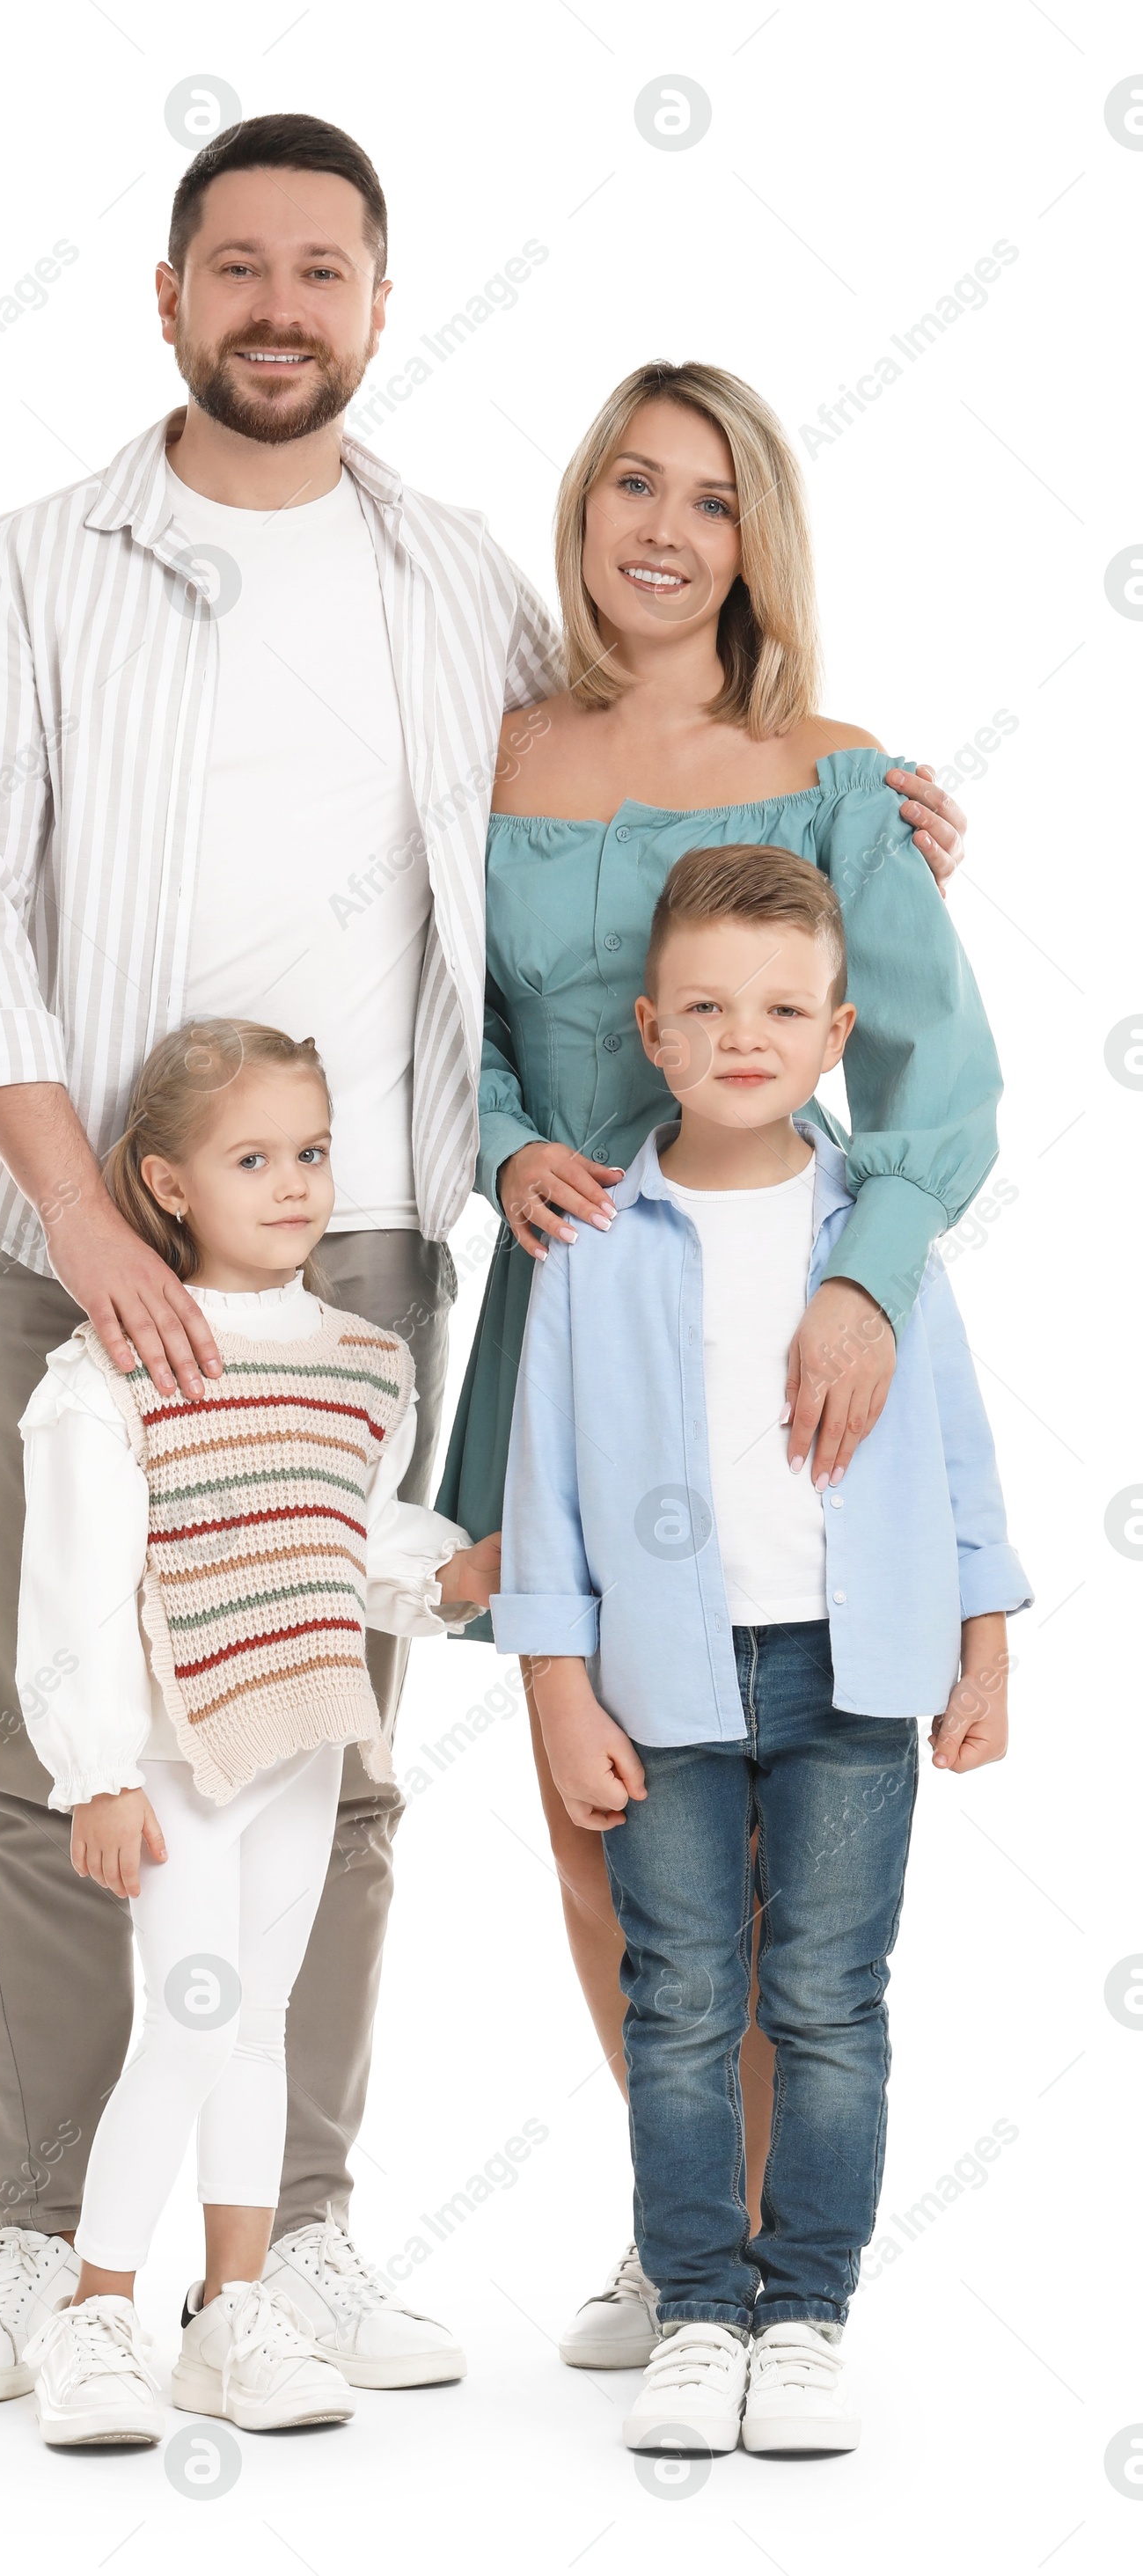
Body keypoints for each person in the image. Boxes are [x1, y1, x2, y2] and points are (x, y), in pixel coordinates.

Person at [0, 105, 966, 2395]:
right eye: (239, 267)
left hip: (363, 1256)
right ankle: (33, 2242)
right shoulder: (24, 564)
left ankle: (283, 2237)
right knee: (51, 1730)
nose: (280, 308)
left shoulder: (451, 574)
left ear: (380, 307)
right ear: (170, 298)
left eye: (325, 271)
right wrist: (87, 1215)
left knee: (327, 1751)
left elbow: (622, 804)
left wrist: (852, 802)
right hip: (68, 1244)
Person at [435, 359, 998, 2368]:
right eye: (627, 488)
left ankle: (774, 2272)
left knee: (790, 1855)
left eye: (708, 499)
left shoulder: (836, 771)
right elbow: (457, 1021)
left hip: (786, 1310)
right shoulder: (486, 753)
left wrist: (867, 1282)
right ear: (582, 513)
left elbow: (939, 1064)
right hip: (569, 1298)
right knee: (605, 1814)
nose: (661, 531)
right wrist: (507, 1150)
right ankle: (683, 2245)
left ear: (754, 538)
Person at [492, 845, 1029, 2454]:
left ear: (837, 1030)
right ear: (651, 1031)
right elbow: (548, 1492)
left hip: (853, 1679)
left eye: (784, 1009)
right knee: (679, 1998)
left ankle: (804, 2312)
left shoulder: (881, 1233)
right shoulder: (593, 1242)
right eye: (709, 1008)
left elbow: (954, 1451)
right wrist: (558, 1682)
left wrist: (984, 1644)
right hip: (660, 1681)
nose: (745, 1036)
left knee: (827, 1999)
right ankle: (698, 2311)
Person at [6, 1020, 496, 2443]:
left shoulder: (365, 1361)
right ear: (166, 1183)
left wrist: (450, 1573)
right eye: (253, 1158)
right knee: (197, 2018)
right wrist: (98, 1771)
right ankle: (94, 2316)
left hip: (301, 1736)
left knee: (260, 2023)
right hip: (169, 1755)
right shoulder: (119, 1367)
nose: (295, 1184)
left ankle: (230, 2316)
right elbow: (79, 1593)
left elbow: (345, 1542)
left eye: (314, 1152)